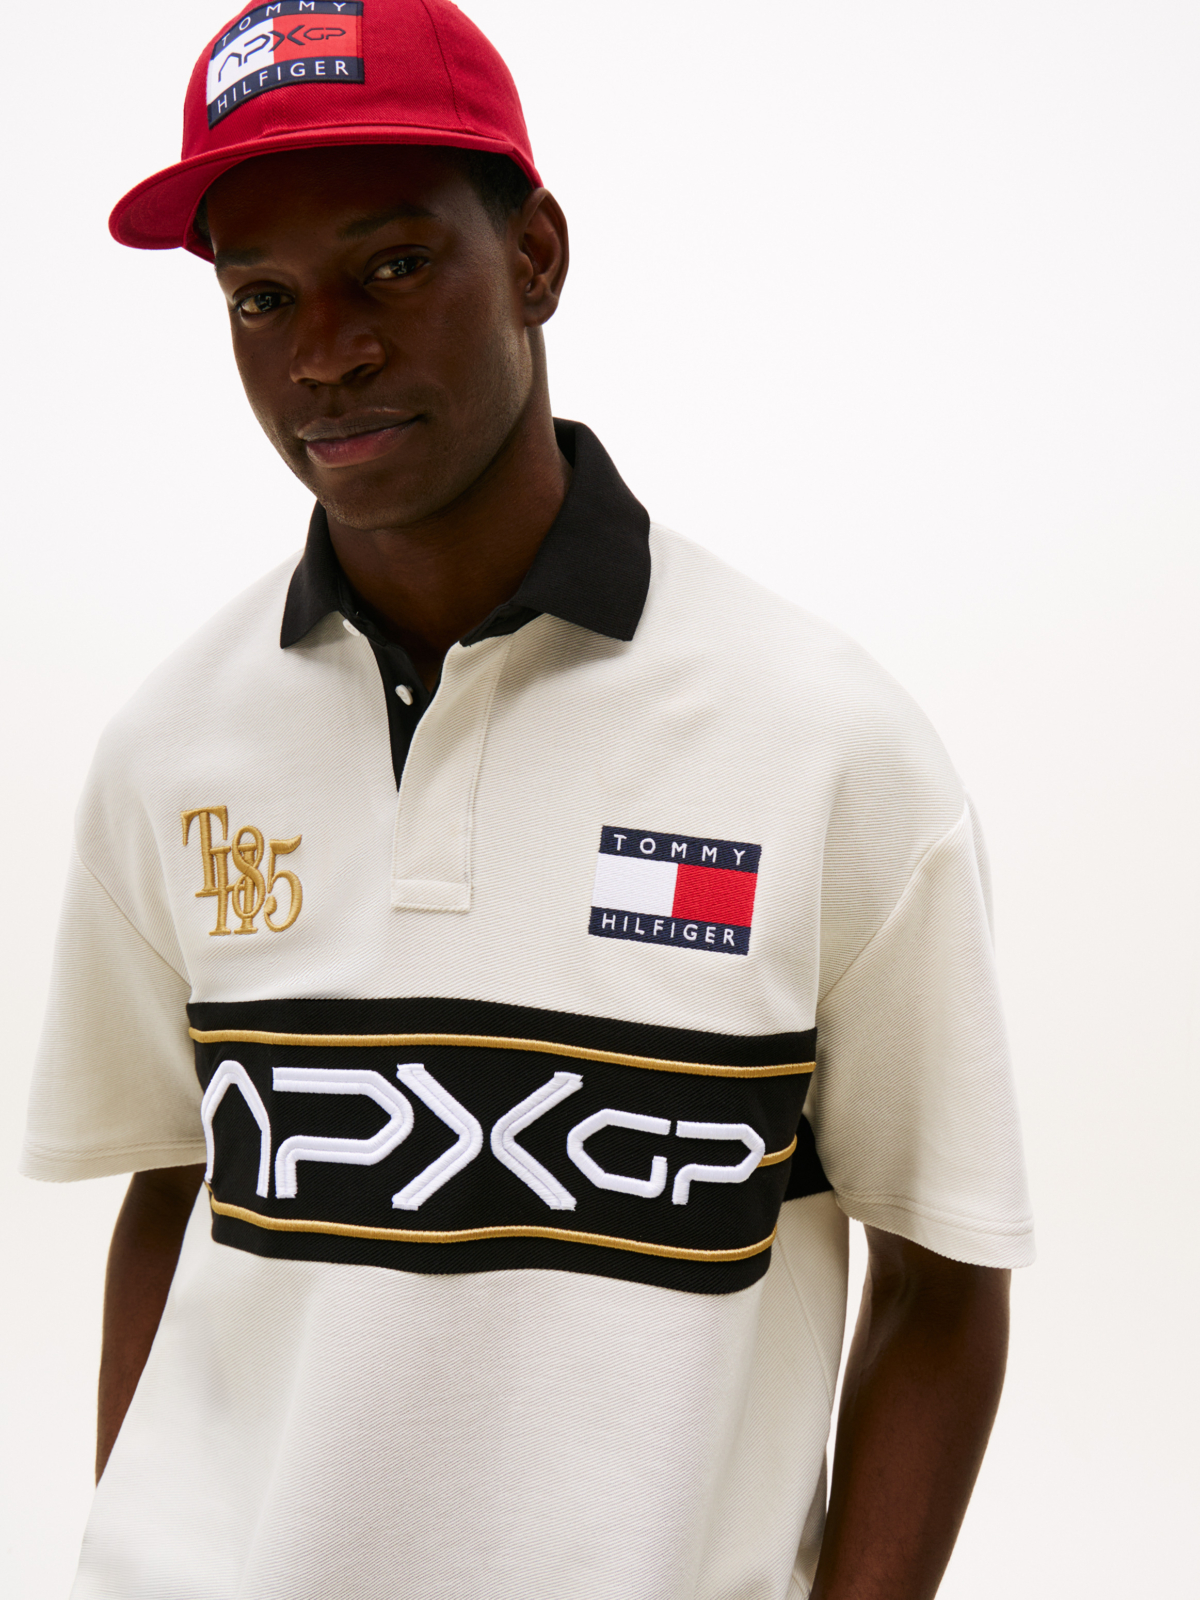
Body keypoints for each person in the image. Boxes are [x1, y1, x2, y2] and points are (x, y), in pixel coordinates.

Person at [22, 2, 1033, 1596]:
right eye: (261, 297)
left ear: (537, 258)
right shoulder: (172, 748)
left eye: (393, 266)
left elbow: (941, 1281)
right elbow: (177, 1187)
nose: (324, 352)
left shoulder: (826, 748)